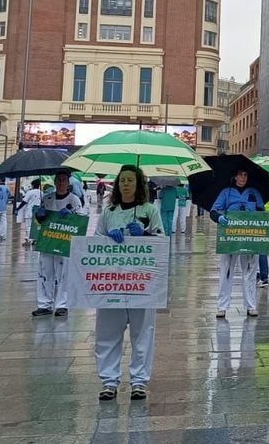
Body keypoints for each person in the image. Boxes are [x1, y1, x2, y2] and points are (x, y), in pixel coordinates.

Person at [94, 164, 163, 401]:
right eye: (122, 180)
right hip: (112, 281)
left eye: (130, 180)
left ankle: (139, 381)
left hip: (141, 282)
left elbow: (161, 242)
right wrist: (107, 239)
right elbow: (96, 241)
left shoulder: (149, 210)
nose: (125, 184)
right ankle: (109, 381)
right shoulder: (108, 211)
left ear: (138, 184)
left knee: (142, 332)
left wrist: (144, 235)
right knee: (107, 331)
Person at [211, 169, 267, 318]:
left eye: (246, 174)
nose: (243, 177)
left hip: (250, 236)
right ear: (235, 176)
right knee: (226, 271)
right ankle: (222, 306)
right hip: (230, 237)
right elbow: (214, 211)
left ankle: (251, 305)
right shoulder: (226, 193)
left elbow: (262, 212)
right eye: (241, 174)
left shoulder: (254, 193)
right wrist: (219, 218)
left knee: (250, 271)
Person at [32, 170, 81, 317]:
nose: (61, 182)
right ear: (54, 182)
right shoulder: (46, 199)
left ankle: (62, 304)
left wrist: (71, 215)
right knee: (45, 272)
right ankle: (44, 304)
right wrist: (39, 216)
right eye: (58, 180)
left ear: (68, 183)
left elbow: (81, 220)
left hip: (64, 242)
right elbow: (37, 222)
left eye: (64, 180)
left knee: (63, 273)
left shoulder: (74, 200)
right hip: (47, 241)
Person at [19, 179, 43, 246]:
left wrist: (18, 208)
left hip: (29, 211)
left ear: (32, 185)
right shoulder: (41, 193)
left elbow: (24, 202)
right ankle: (34, 239)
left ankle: (29, 240)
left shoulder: (30, 192)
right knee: (36, 226)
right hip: (38, 212)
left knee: (28, 226)